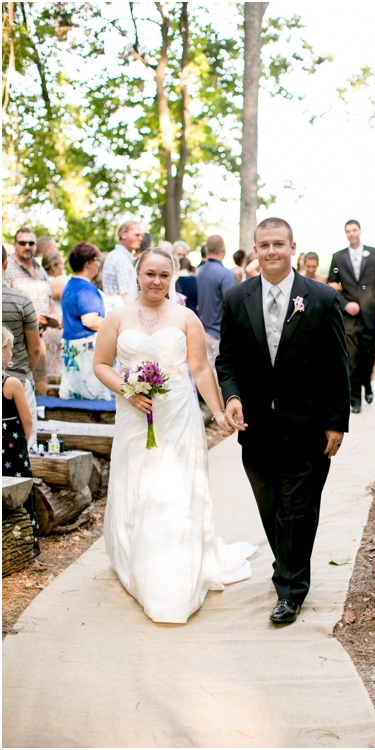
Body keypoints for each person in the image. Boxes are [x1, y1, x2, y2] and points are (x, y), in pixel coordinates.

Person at [92, 246, 253, 624]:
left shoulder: (185, 317)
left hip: (179, 414)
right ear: (138, 273)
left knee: (174, 488)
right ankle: (137, 559)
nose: (157, 281)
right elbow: (101, 364)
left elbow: (199, 369)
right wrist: (127, 390)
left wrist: (217, 412)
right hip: (135, 416)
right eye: (150, 273)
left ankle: (172, 574)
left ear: (174, 277)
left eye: (164, 275)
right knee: (138, 484)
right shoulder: (118, 317)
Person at [217, 217, 350, 625]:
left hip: (306, 425)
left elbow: (337, 365)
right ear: (254, 250)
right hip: (256, 426)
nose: (271, 251)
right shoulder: (236, 297)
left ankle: (290, 589)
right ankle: (289, 564)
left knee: (297, 507)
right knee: (270, 505)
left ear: (293, 248)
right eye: (264, 245)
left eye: (279, 244)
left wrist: (336, 422)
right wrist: (233, 396)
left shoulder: (323, 298)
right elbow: (227, 359)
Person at [327, 219, 375, 413]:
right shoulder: (338, 257)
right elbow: (331, 285)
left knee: (368, 355)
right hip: (350, 317)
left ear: (360, 231)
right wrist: (346, 305)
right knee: (352, 357)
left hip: (371, 313)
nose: (351, 234)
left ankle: (368, 385)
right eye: (348, 231)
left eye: (354, 230)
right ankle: (355, 398)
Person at [2, 325, 40, 556]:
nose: (11, 354)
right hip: (12, 445)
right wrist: (23, 442)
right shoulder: (11, 383)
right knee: (22, 487)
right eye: (10, 348)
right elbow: (27, 419)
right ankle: (26, 538)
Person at [59, 242, 113, 401]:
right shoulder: (85, 289)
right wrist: (115, 325)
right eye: (96, 260)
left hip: (71, 346)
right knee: (92, 397)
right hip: (84, 350)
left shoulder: (70, 285)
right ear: (88, 263)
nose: (98, 264)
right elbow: (90, 320)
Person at [7, 227, 55, 395]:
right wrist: (31, 317)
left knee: (41, 386)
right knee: (17, 387)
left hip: (37, 338)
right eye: (22, 243)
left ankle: (39, 421)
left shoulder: (40, 269)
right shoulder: (7, 268)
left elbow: (48, 300)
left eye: (31, 243)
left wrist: (51, 317)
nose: (27, 246)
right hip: (14, 340)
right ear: (15, 245)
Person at [2, 246, 41, 445]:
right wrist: (26, 373)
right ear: (6, 264)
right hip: (17, 377)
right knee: (25, 442)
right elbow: (35, 348)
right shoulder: (22, 301)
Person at [196, 235, 235, 373]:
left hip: (204, 329)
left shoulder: (200, 271)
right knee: (222, 376)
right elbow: (231, 306)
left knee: (208, 374)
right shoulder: (226, 275)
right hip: (219, 332)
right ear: (223, 249)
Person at [103, 220, 144, 304]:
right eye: (136, 235)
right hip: (122, 313)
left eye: (141, 235)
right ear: (123, 235)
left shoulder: (114, 255)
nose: (140, 238)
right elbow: (127, 298)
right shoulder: (122, 259)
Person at [40, 250, 66, 379]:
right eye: (60, 263)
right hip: (57, 328)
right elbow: (67, 307)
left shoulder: (39, 282)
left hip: (44, 329)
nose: (63, 266)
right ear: (53, 266)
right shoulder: (57, 284)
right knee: (57, 366)